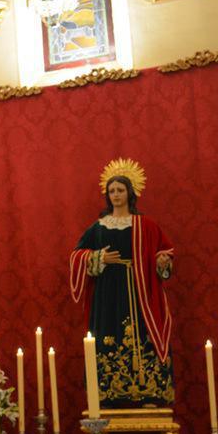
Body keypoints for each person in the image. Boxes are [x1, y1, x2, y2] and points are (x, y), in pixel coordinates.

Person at [69, 161, 175, 407]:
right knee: (108, 337)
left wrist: (162, 261)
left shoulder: (145, 225)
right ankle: (108, 394)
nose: (116, 195)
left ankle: (149, 392)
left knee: (142, 334)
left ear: (130, 193)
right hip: (107, 294)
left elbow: (165, 252)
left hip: (139, 292)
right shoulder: (99, 227)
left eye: (120, 190)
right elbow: (76, 255)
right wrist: (98, 258)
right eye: (112, 191)